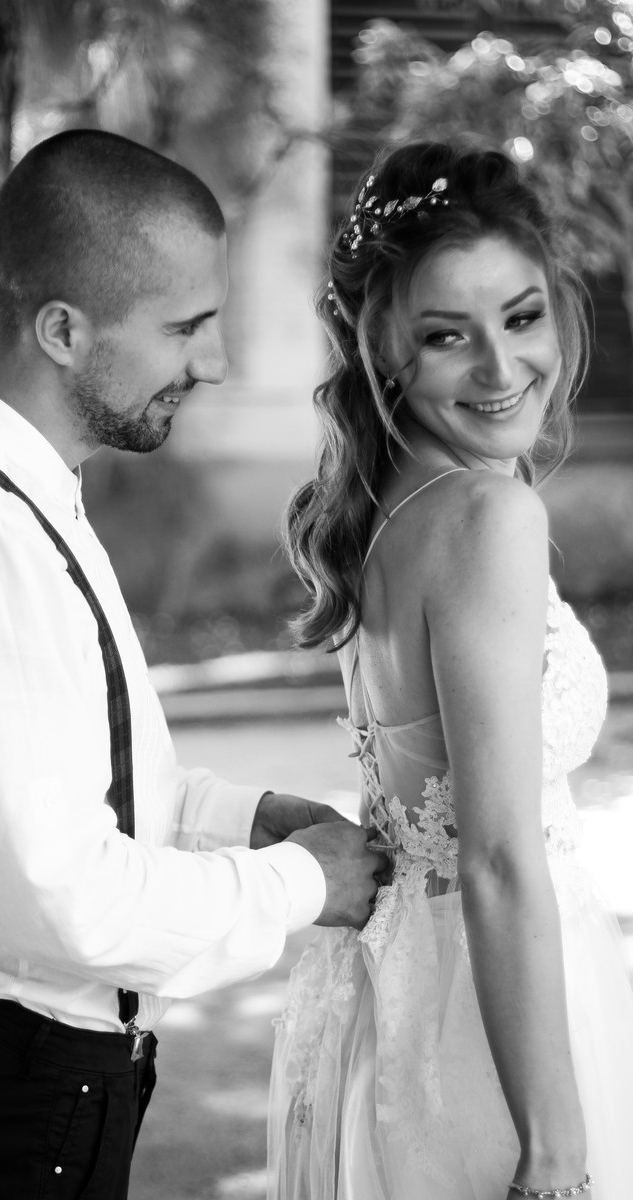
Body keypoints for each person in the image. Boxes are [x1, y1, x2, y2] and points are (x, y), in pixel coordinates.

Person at [0, 129, 387, 1200]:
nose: (213, 363)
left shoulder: (24, 499)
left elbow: (81, 788)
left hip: (34, 1084)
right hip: (11, 1110)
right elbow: (62, 901)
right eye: (184, 327)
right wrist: (302, 883)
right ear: (62, 330)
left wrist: (243, 818)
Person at [267, 141, 633, 1200]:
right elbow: (497, 858)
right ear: (382, 349)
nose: (501, 368)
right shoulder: (485, 514)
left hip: (400, 1001)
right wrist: (554, 1156)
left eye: (520, 318)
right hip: (492, 1028)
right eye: (445, 337)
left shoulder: (388, 510)